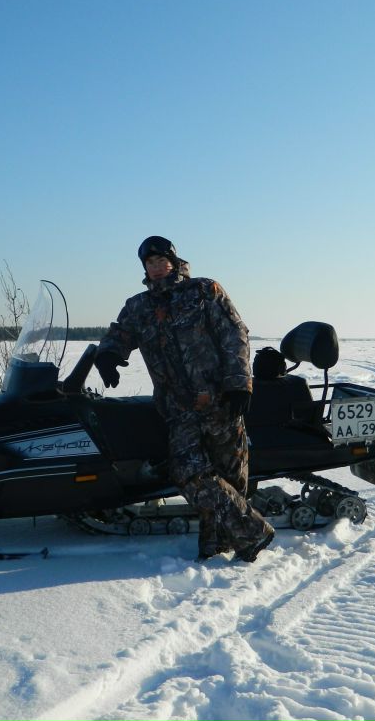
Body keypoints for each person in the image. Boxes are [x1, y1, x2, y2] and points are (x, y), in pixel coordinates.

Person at [95, 236, 275, 562]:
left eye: (161, 260)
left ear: (174, 261)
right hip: (179, 409)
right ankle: (253, 531)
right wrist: (107, 355)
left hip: (220, 401)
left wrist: (239, 384)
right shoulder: (139, 307)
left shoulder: (204, 291)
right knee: (188, 473)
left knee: (231, 479)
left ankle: (215, 551)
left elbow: (234, 334)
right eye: (149, 263)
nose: (156, 267)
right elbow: (120, 334)